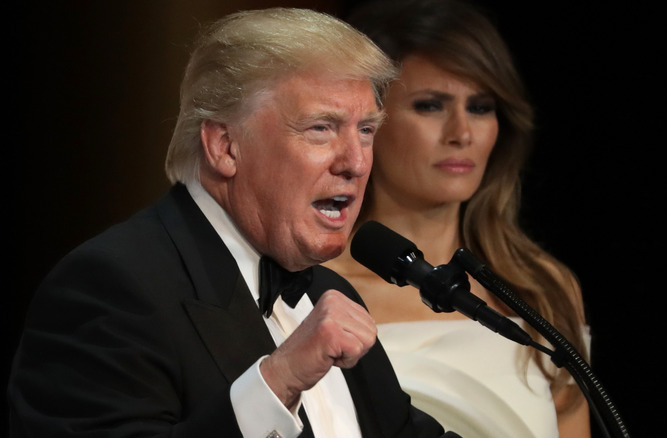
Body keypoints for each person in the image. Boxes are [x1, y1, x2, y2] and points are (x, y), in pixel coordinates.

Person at [7, 8, 462, 438]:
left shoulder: (328, 292)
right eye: (321, 128)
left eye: (366, 130)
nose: (356, 162)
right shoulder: (111, 285)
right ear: (225, 147)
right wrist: (279, 380)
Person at [324, 1, 591, 437]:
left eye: (481, 107)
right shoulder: (308, 290)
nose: (461, 133)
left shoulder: (541, 288)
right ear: (366, 123)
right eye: (430, 105)